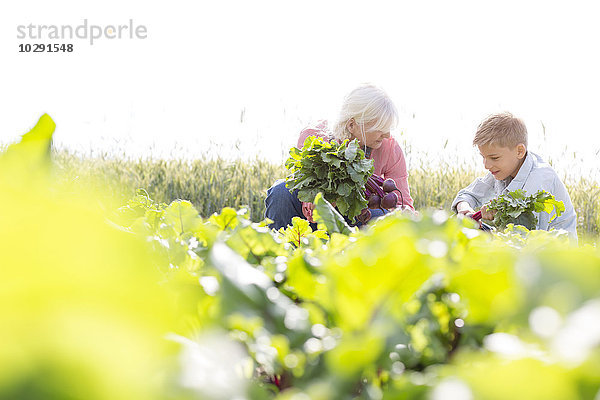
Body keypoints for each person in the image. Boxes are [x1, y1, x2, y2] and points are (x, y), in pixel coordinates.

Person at [265, 83, 415, 230]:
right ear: (352, 125)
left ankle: (363, 252)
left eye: (388, 128)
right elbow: (300, 183)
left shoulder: (390, 147)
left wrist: (404, 213)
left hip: (358, 216)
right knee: (281, 192)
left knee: (385, 219)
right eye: (379, 128)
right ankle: (281, 250)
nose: (387, 134)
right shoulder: (314, 135)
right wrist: (316, 197)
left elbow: (403, 203)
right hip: (313, 215)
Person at [452, 112, 578, 241]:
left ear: (519, 151)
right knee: (461, 229)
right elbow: (468, 195)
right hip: (520, 243)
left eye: (494, 158)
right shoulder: (502, 170)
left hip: (550, 250)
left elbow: (529, 236)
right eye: (483, 157)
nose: (486, 165)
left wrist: (497, 215)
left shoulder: (539, 180)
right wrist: (465, 210)